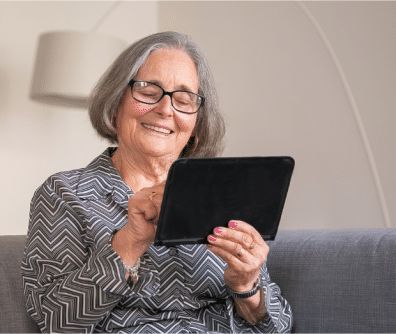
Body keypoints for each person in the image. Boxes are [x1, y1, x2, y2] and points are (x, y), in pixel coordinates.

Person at [21, 31, 292, 333]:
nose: (165, 109)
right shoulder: (66, 194)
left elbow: (277, 327)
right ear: (115, 105)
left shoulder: (220, 194)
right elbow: (55, 321)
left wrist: (247, 288)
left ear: (197, 124)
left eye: (184, 99)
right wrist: (129, 243)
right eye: (149, 92)